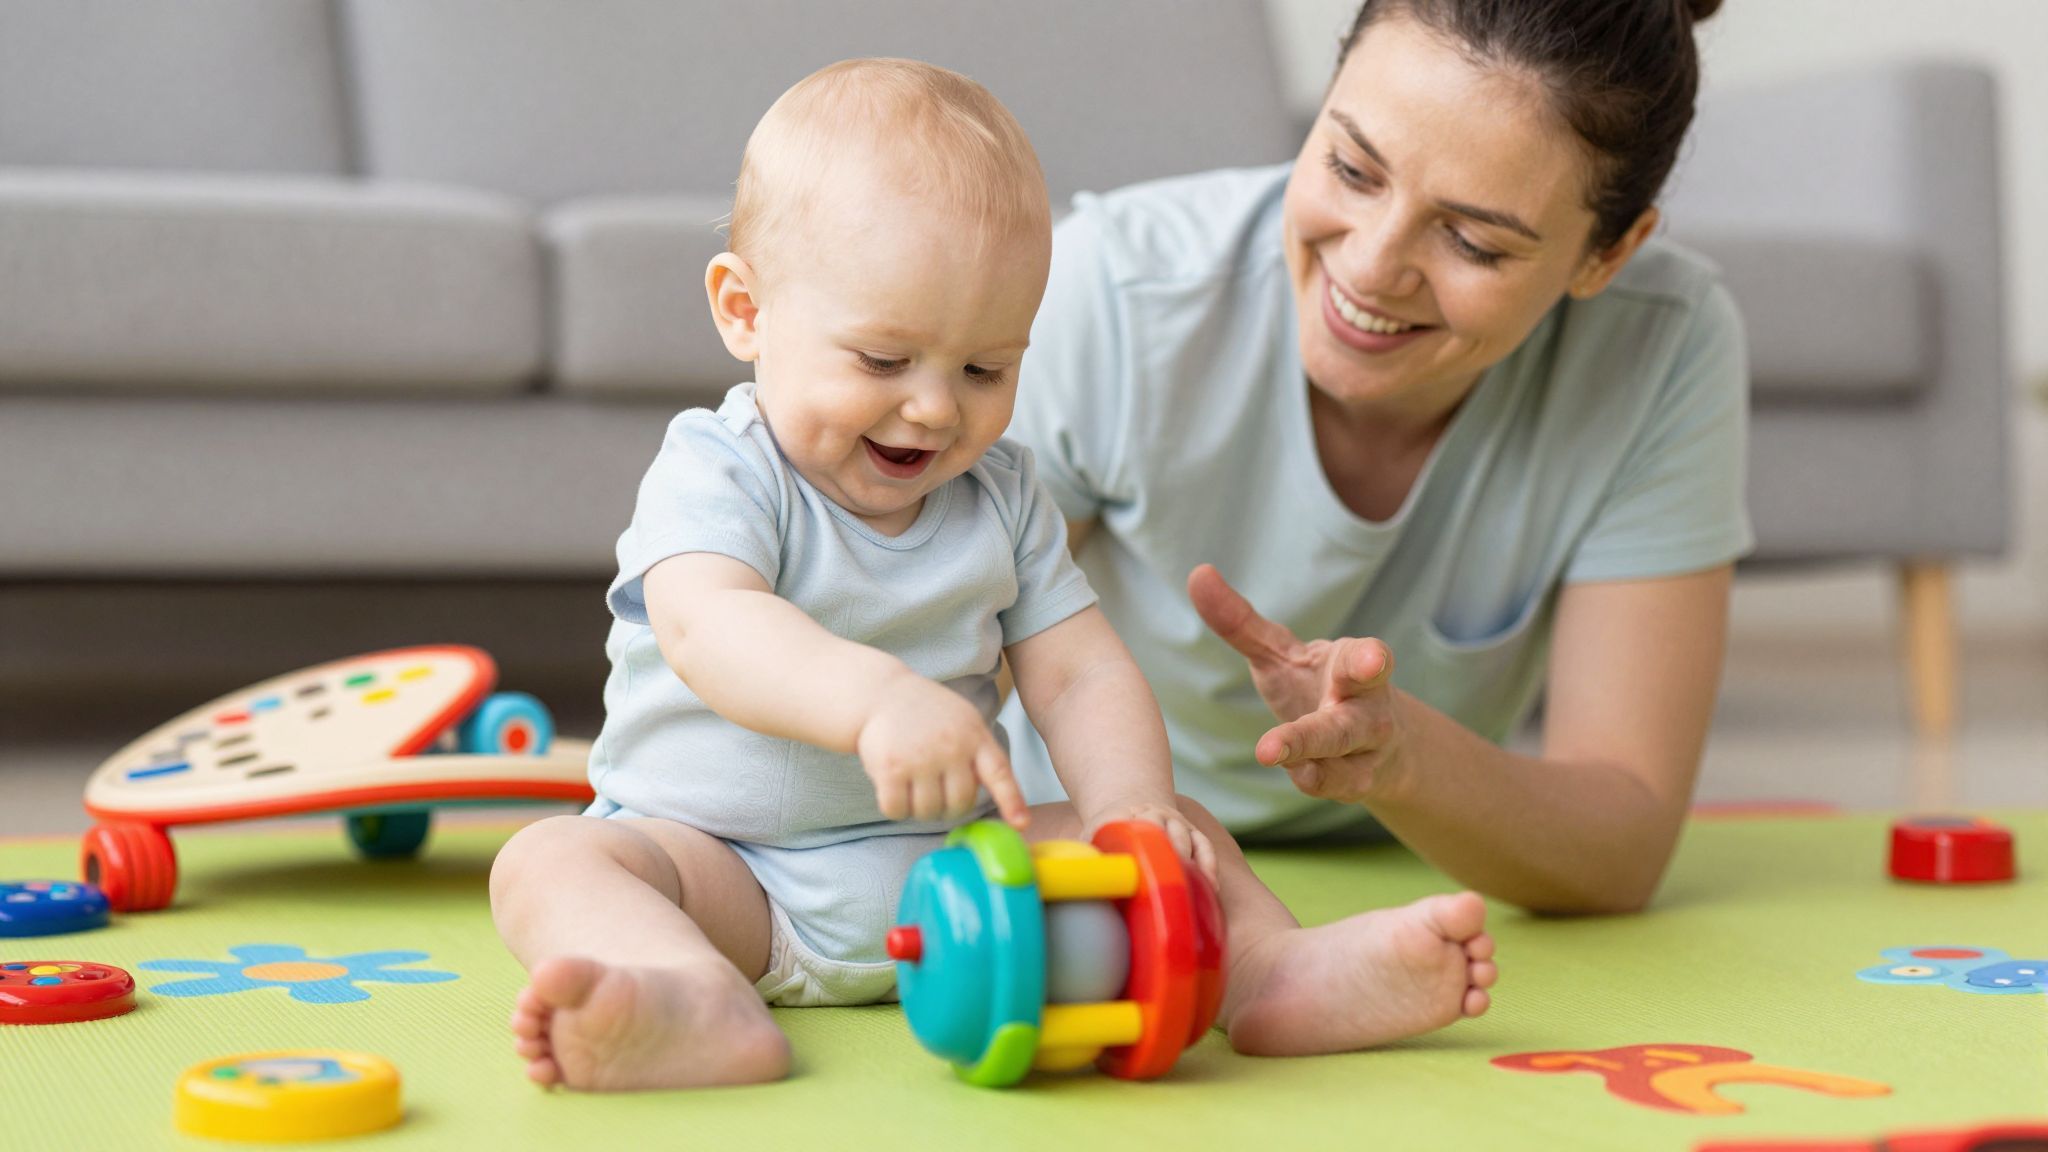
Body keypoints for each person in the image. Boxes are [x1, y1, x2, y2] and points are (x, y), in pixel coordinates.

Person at [487, 57, 1497, 1093]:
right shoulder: (720, 467)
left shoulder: (1002, 497)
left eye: (984, 369)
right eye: (883, 360)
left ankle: (1268, 973)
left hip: (955, 875)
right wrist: (876, 703)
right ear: (744, 311)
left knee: (1183, 830)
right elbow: (710, 628)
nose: (933, 408)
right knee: (551, 861)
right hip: (721, 869)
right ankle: (684, 994)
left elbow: (1078, 675)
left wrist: (1127, 810)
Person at [1001, 0, 1750, 916]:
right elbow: (920, 688)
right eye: (1351, 169)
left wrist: (1397, 755)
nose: (1371, 266)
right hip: (1076, 824)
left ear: (1608, 256)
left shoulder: (1662, 348)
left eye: (1473, 240)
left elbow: (1620, 843)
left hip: (1430, 864)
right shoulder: (1116, 296)